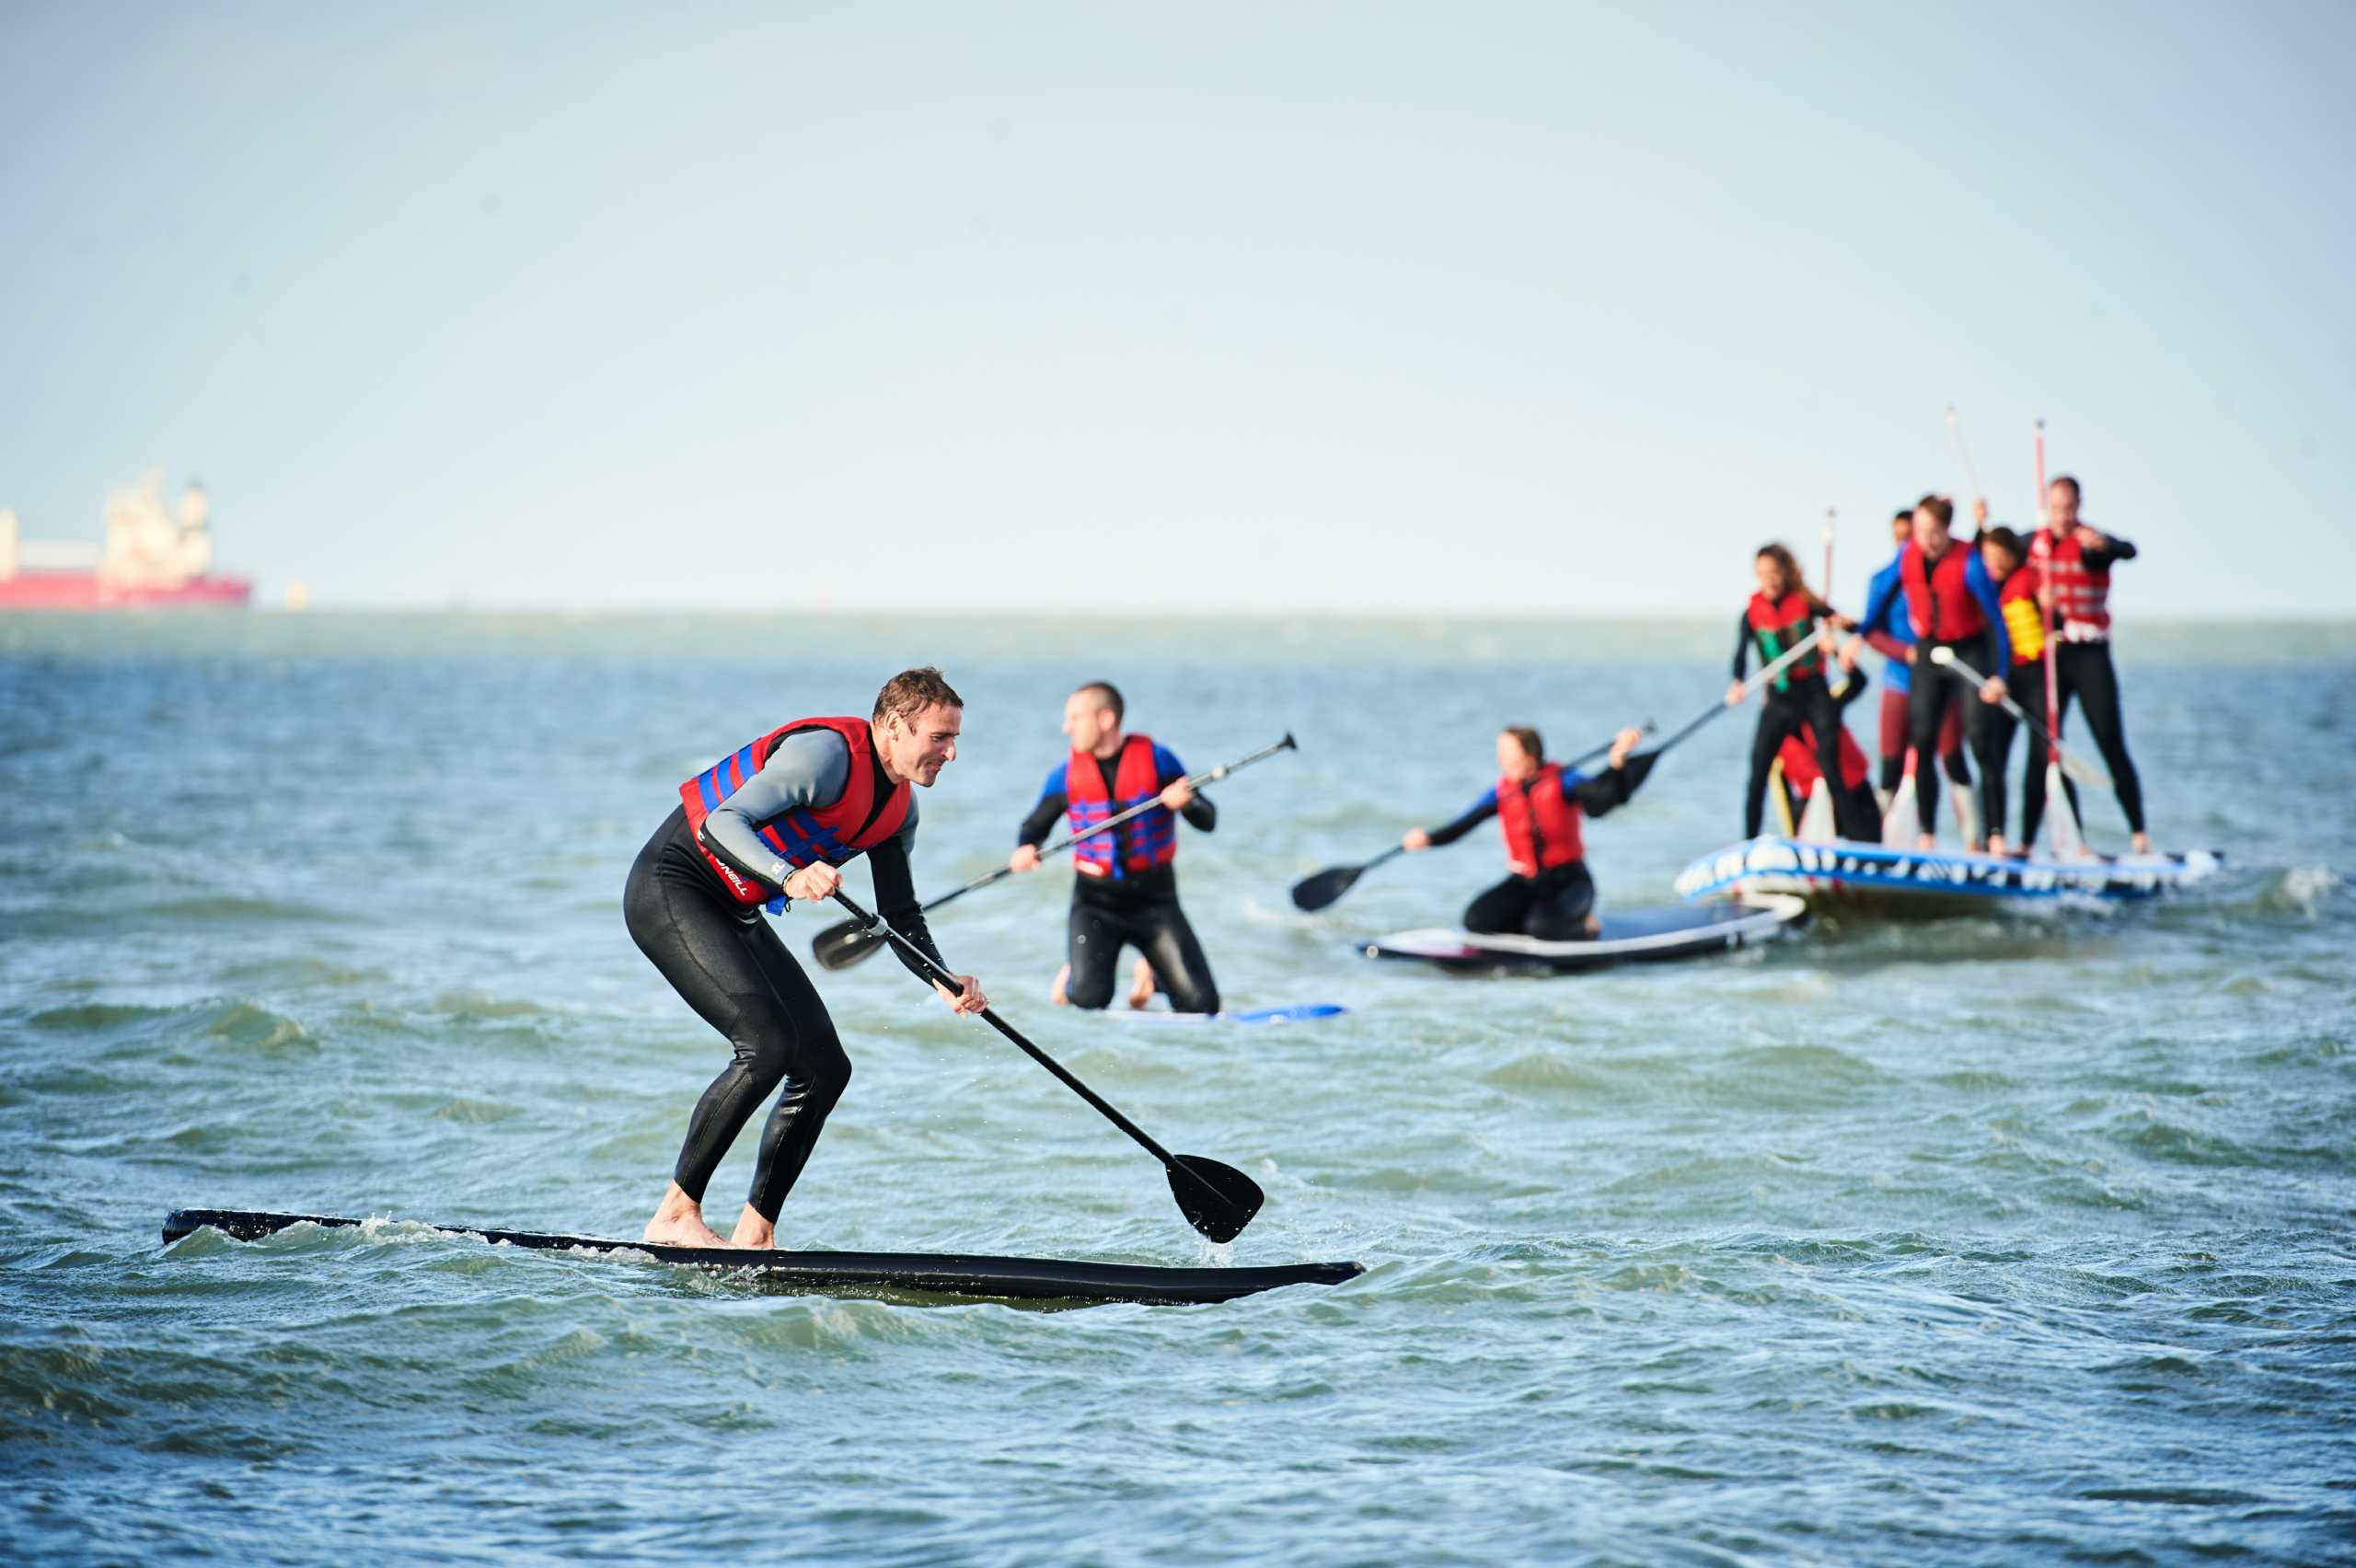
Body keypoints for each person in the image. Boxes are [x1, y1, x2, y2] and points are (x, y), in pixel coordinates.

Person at [625, 667, 987, 1250]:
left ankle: (755, 1234)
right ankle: (674, 1216)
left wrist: (942, 979)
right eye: (939, 738)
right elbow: (723, 822)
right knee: (767, 1046)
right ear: (895, 726)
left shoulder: (900, 811)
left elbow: (901, 913)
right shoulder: (826, 758)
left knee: (824, 1068)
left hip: (733, 911)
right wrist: (789, 875)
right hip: (674, 888)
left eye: (955, 740)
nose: (950, 753)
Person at [1011, 682, 1220, 1013]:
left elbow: (1208, 820)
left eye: (1076, 718)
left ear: (1106, 719)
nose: (1067, 727)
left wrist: (1188, 802)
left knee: (1201, 1006)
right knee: (1089, 999)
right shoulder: (1065, 776)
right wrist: (1025, 847)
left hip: (1156, 901)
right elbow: (1033, 827)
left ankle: (1152, 974)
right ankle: (1075, 976)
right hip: (1096, 903)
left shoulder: (1159, 761)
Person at [1403, 723, 1652, 940]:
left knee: (1543, 929)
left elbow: (1607, 798)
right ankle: (1533, 918)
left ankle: (1585, 921)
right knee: (1477, 920)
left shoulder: (1565, 780)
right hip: (1524, 882)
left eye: (1507, 754)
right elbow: (1463, 824)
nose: (1500, 761)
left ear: (1530, 757)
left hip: (1569, 881)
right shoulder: (1502, 791)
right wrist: (1428, 839)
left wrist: (1617, 761)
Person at [2027, 476, 2153, 855]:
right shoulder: (2036, 543)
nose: (2062, 516)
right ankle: (2031, 842)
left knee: (2110, 742)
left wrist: (2107, 544)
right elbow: (1995, 551)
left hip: (2091, 655)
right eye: (2056, 508)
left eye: (2069, 508)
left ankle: (2139, 835)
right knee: (2043, 746)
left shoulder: (2090, 544)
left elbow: (2129, 551)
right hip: (2054, 655)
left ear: (2079, 506)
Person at [1727, 543, 1872, 842]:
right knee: (1757, 773)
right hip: (1779, 699)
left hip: (1814, 694)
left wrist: (1840, 628)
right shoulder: (1751, 614)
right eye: (1762, 574)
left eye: (1774, 573)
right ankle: (1748, 843)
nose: (1769, 581)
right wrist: (1737, 682)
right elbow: (1740, 654)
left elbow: (1852, 626)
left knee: (1832, 767)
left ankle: (1857, 841)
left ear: (1785, 573)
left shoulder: (1806, 604)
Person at [1898, 496, 2012, 850]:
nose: (1926, 540)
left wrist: (2000, 675)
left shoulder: (1971, 564)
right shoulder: (1909, 556)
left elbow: (1997, 623)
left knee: (1981, 743)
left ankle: (1995, 835)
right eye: (1920, 532)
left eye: (1933, 532)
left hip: (1971, 651)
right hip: (1931, 651)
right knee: (1923, 740)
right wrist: (1857, 636)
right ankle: (1927, 833)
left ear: (1947, 530)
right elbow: (1882, 593)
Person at [1858, 506, 1972, 802]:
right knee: (1891, 764)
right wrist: (1904, 653)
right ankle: (1880, 838)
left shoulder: (1941, 574)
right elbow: (1870, 629)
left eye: (1911, 537)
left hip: (1943, 679)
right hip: (1899, 680)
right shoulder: (1883, 578)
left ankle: (1976, 839)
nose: (1905, 545)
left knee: (1951, 758)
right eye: (1900, 538)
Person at [1971, 526, 2054, 857]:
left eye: (2000, 557)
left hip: (2034, 675)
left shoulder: (2028, 576)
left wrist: (2050, 603)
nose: (1994, 563)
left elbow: (2052, 609)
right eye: (1988, 557)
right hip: (2002, 679)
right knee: (1992, 759)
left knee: (2040, 758)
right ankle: (1992, 836)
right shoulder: (1985, 584)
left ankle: (2028, 842)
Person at [1770, 664, 1878, 836]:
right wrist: (1792, 840)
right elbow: (1782, 797)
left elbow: (1859, 682)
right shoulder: (1773, 734)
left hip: (1855, 794)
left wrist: (1840, 657)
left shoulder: (1826, 704)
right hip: (1812, 805)